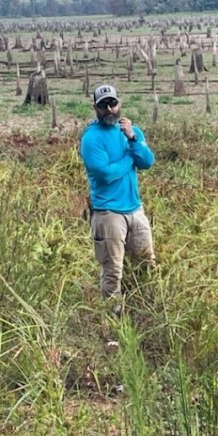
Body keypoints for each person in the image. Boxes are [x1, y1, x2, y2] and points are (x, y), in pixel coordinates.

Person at [80, 84, 156, 309]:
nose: (109, 109)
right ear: (95, 107)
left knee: (146, 264)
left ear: (119, 103)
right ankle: (112, 319)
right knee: (113, 270)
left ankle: (144, 310)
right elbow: (105, 174)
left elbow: (147, 162)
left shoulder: (132, 131)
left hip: (135, 209)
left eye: (112, 103)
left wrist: (133, 139)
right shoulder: (91, 138)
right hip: (108, 213)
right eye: (103, 105)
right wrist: (130, 159)